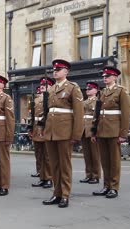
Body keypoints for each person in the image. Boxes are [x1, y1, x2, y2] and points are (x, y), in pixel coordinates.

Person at [42, 59, 84, 208]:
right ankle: (57, 192)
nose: (55, 71)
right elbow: (47, 112)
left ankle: (65, 194)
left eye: (59, 69)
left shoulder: (73, 88)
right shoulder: (51, 89)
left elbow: (79, 113)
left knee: (65, 165)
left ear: (66, 72)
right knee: (54, 165)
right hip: (51, 131)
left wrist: (76, 134)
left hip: (65, 131)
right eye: (54, 69)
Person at [92, 67, 130, 198]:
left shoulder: (120, 91)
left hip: (114, 130)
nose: (105, 78)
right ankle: (106, 185)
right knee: (105, 160)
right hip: (102, 129)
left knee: (114, 161)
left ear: (115, 77)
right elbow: (97, 113)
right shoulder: (102, 92)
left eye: (108, 76)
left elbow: (126, 114)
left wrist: (123, 134)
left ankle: (114, 186)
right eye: (104, 76)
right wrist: (94, 130)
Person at [29, 78, 53, 188]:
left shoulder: (51, 97)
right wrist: (31, 129)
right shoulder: (38, 99)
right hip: (36, 127)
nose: (42, 86)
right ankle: (42, 176)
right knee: (39, 155)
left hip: (46, 127)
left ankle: (48, 178)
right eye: (42, 84)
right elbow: (33, 115)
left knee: (47, 155)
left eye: (45, 84)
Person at [80, 82, 102, 184]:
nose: (88, 90)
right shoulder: (84, 102)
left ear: (96, 91)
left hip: (92, 129)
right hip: (84, 129)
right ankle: (88, 174)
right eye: (87, 89)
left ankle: (96, 175)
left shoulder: (97, 101)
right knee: (87, 154)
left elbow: (97, 117)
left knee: (95, 154)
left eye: (90, 89)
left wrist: (96, 131)